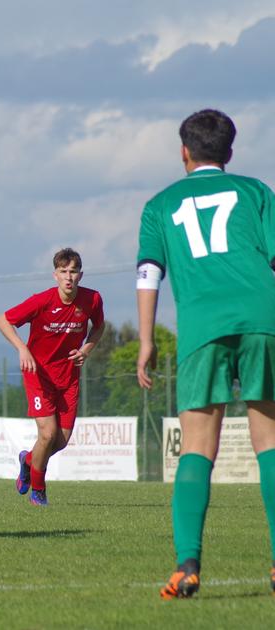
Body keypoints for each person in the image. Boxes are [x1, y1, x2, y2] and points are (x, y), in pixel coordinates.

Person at [136, 109, 275, 599]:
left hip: (201, 330)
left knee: (198, 446)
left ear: (184, 151)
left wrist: (148, 341)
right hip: (263, 319)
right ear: (229, 153)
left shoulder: (159, 205)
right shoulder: (256, 192)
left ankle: (187, 565)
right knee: (271, 443)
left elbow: (149, 273)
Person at [0, 248, 104, 507]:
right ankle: (39, 490)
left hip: (68, 378)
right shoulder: (41, 301)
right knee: (47, 434)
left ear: (81, 274)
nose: (69, 277)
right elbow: (3, 320)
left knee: (61, 442)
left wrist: (86, 350)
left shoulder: (93, 300)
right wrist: (22, 349)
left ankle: (28, 461)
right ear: (55, 275)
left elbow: (99, 327)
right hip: (39, 375)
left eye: (73, 271)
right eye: (63, 271)